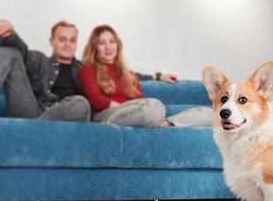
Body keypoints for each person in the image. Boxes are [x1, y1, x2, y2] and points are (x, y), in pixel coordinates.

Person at [79, 24, 212, 128]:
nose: (108, 47)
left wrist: (138, 112)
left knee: (210, 114)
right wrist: (129, 110)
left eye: (111, 42)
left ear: (117, 45)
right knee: (155, 106)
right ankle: (107, 124)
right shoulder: (88, 69)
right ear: (95, 48)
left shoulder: (129, 74)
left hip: (139, 114)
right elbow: (96, 100)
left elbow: (140, 100)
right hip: (107, 113)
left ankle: (165, 124)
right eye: (102, 43)